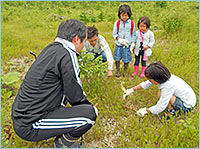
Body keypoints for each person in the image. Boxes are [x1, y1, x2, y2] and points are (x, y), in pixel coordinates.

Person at [11, 19, 98, 148]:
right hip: (30, 124)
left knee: (76, 107)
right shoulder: (68, 54)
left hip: (22, 116)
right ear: (76, 39)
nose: (83, 46)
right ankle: (63, 144)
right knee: (90, 114)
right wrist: (85, 108)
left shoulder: (51, 49)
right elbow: (75, 93)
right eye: (84, 42)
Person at [123, 61, 196, 117]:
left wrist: (145, 110)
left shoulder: (168, 86)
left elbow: (161, 106)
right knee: (161, 93)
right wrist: (132, 89)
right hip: (187, 99)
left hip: (187, 106)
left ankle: (172, 112)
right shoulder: (164, 77)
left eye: (150, 79)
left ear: (157, 78)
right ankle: (172, 108)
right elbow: (147, 83)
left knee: (162, 95)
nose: (149, 81)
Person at [112, 4, 136, 77]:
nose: (124, 17)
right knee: (117, 57)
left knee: (126, 58)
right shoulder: (117, 23)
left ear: (129, 14)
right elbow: (114, 34)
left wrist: (132, 43)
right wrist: (119, 39)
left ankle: (125, 71)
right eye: (122, 15)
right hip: (119, 44)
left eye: (126, 15)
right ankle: (118, 71)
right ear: (119, 15)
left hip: (127, 45)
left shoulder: (132, 23)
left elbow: (133, 34)